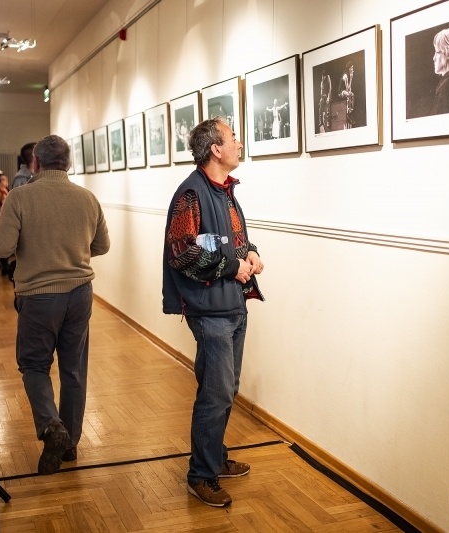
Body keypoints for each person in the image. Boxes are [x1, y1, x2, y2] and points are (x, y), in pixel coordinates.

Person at [0, 135, 110, 475]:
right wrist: (74, 252)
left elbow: (1, 247)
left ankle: (51, 426)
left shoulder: (20, 197)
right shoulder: (87, 198)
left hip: (38, 296)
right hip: (80, 293)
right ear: (68, 163)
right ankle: (70, 443)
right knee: (73, 369)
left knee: (34, 365)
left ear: (36, 163)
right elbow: (102, 245)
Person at [162, 117, 265, 507]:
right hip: (210, 310)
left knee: (226, 388)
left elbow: (230, 238)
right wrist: (230, 267)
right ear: (216, 149)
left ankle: (215, 458)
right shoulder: (191, 193)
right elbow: (181, 253)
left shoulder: (224, 190)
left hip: (232, 304)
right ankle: (201, 475)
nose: (239, 143)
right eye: (233, 137)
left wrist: (250, 252)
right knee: (216, 392)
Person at [338, 61, 356, 129]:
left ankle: (350, 112)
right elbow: (347, 89)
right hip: (341, 92)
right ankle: (348, 114)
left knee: (352, 94)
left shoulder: (348, 75)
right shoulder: (345, 76)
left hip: (345, 91)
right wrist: (351, 78)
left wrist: (351, 78)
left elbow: (350, 89)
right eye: (352, 68)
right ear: (349, 68)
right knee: (349, 94)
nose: (352, 69)